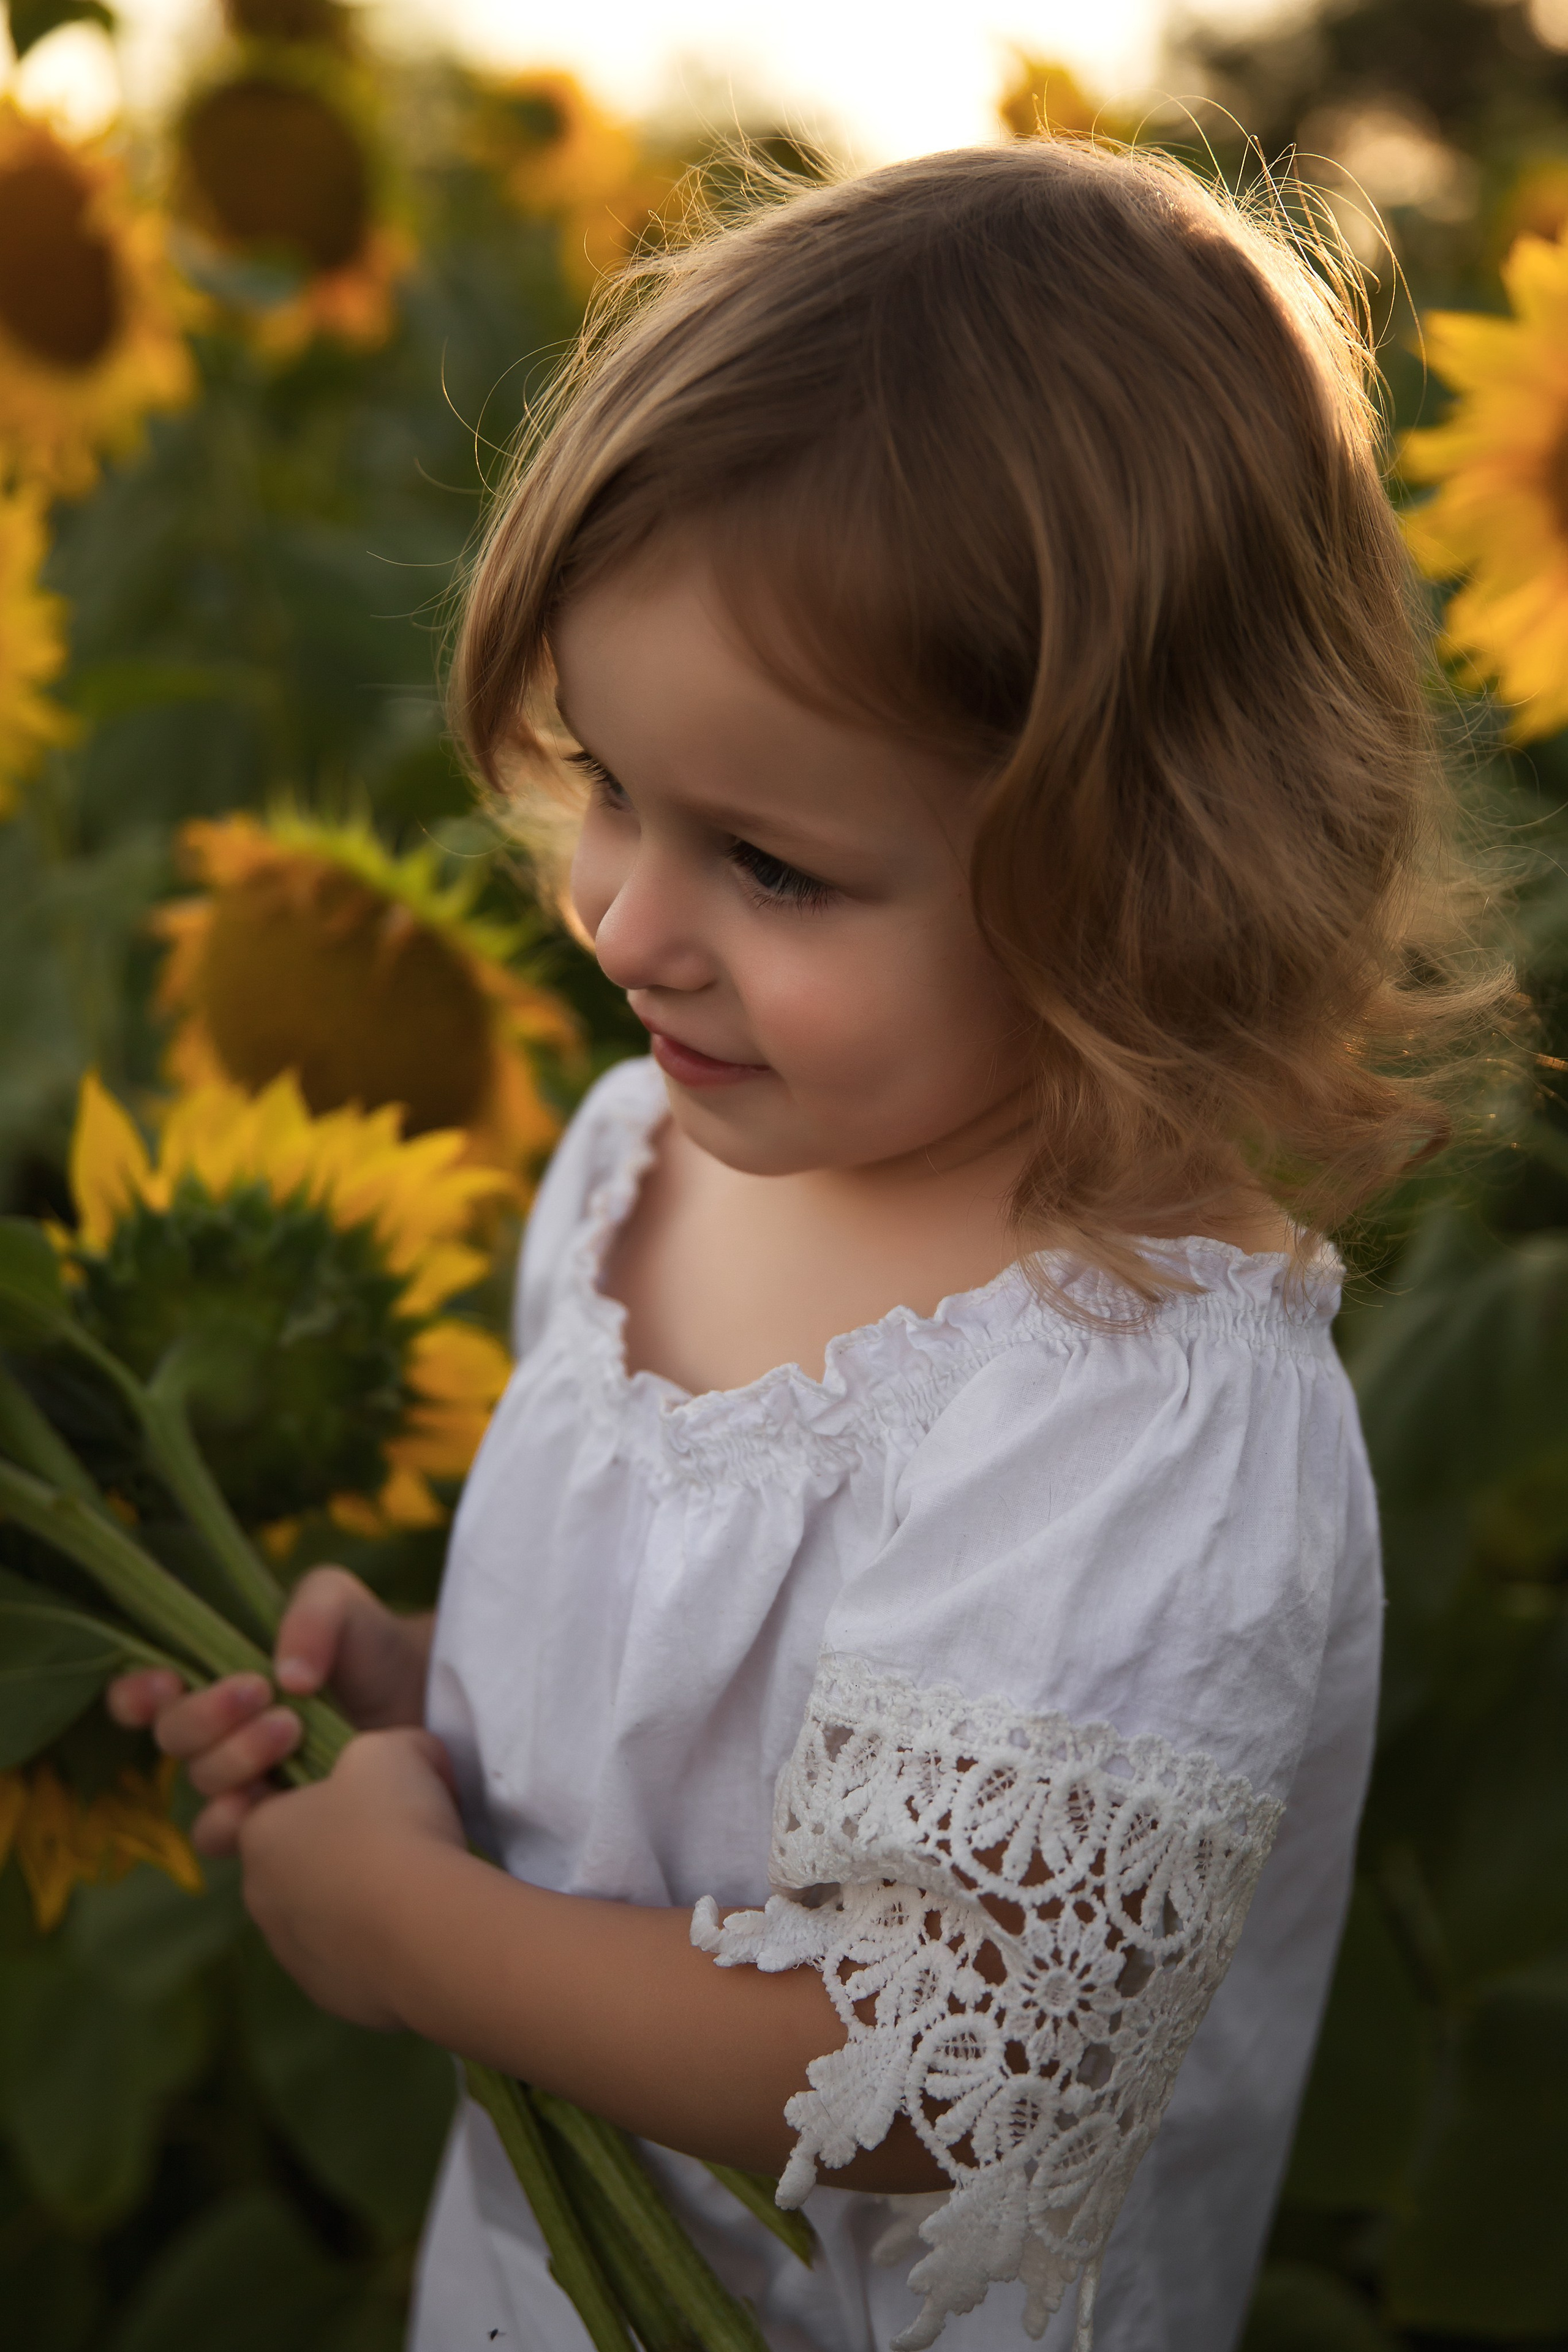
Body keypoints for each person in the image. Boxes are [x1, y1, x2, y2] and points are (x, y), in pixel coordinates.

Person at [108, 138, 1506, 2352]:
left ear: (1150, 872)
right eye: (612, 785)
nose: (625, 921)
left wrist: (419, 1942)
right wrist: (439, 1709)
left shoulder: (1138, 1395)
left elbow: (937, 2055)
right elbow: (689, 1737)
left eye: (770, 865)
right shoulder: (630, 1167)